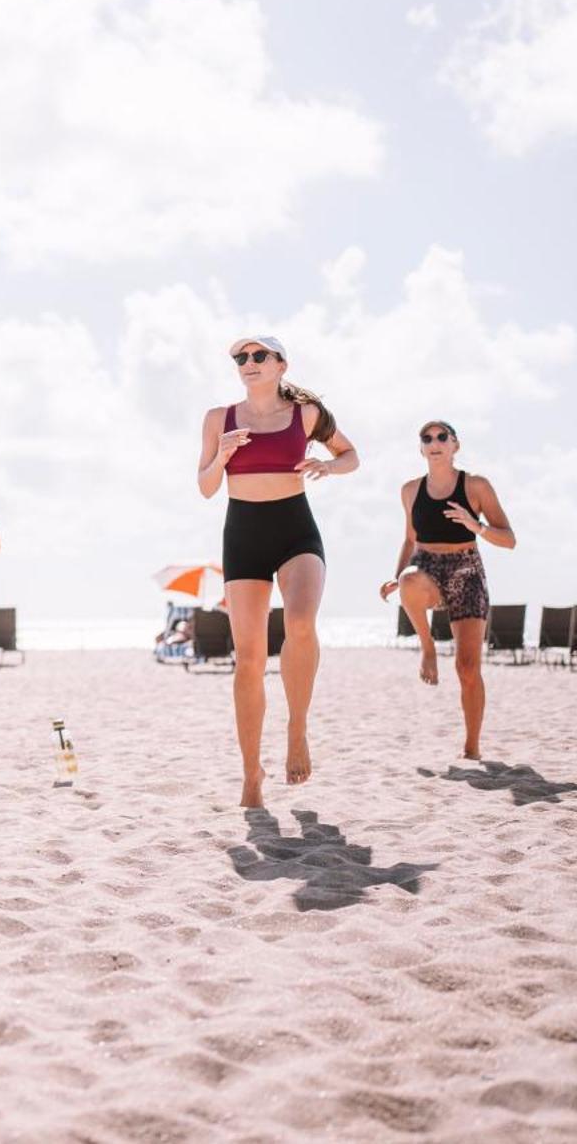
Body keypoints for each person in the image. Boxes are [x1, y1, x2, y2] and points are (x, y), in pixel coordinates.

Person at [197, 335, 358, 808]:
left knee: (302, 622)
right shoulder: (217, 419)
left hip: (295, 529)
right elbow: (206, 486)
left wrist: (328, 467)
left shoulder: (306, 415)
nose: (248, 363)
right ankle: (251, 775)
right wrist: (222, 455)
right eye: (240, 357)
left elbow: (352, 455)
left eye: (258, 356)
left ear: (281, 364)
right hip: (243, 534)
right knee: (249, 658)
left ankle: (297, 728)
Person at [380, 421, 516, 759]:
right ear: (421, 449)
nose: (434, 442)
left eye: (442, 436)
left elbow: (509, 539)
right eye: (427, 438)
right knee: (409, 580)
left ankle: (472, 747)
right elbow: (410, 539)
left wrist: (477, 526)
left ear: (455, 445)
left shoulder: (476, 486)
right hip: (426, 566)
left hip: (466, 569)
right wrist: (397, 576)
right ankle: (427, 648)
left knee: (468, 669)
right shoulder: (410, 490)